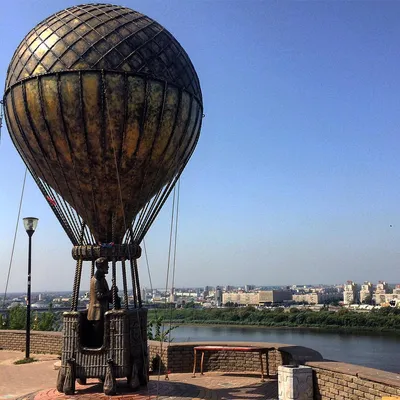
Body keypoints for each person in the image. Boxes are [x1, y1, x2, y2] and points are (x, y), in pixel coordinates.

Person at [87, 257, 120, 346]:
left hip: (101, 311)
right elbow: (99, 296)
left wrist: (113, 295)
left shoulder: (101, 278)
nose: (108, 267)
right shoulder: (97, 279)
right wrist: (111, 292)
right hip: (97, 312)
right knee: (98, 337)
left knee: (101, 336)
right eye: (107, 266)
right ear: (101, 267)